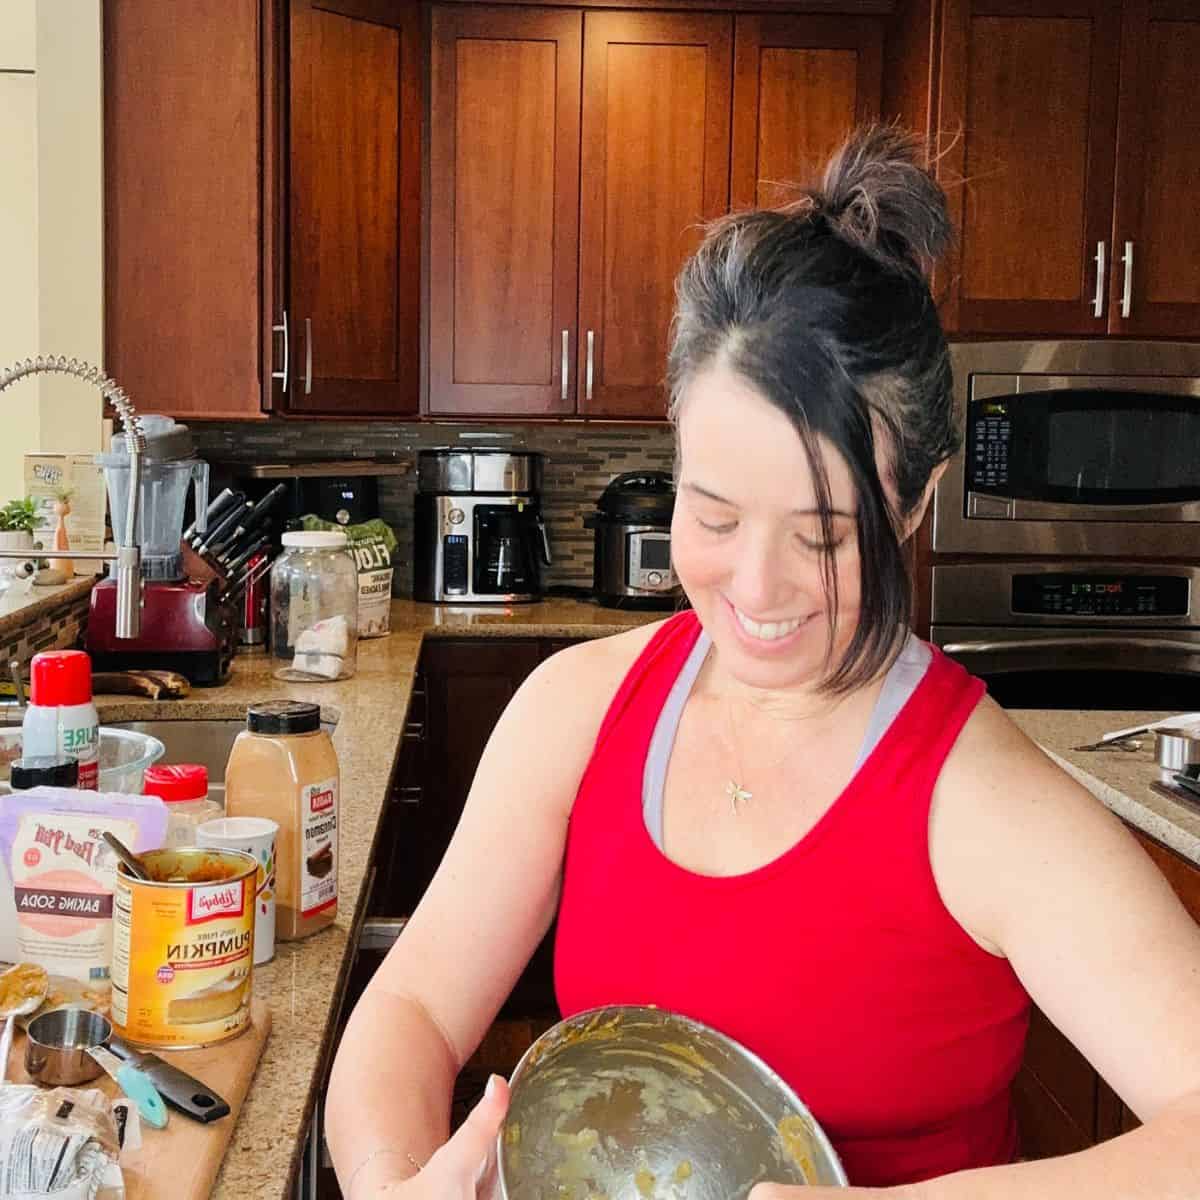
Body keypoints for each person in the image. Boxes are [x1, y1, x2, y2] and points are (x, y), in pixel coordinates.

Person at [326, 127, 1200, 1198]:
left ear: (915, 503)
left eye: (825, 534)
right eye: (715, 512)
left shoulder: (989, 806)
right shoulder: (578, 713)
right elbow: (410, 1010)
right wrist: (388, 1181)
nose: (756, 586)